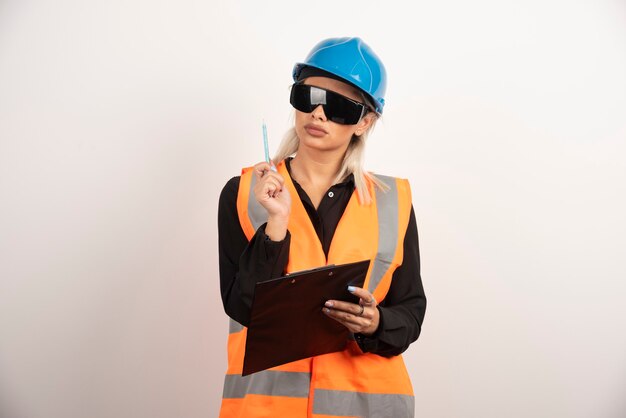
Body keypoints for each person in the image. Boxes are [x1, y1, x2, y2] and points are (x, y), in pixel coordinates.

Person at [218, 37, 427, 418]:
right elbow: (242, 307)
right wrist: (276, 223)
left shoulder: (393, 201)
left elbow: (411, 309)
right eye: (309, 94)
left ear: (365, 122)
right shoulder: (245, 193)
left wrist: (376, 322)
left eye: (340, 106)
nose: (318, 113)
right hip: (266, 409)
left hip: (366, 406)